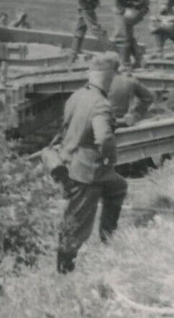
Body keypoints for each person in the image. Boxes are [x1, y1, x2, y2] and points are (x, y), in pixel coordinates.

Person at [55, 52, 128, 274]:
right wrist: (108, 157)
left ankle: (107, 239)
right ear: (110, 79)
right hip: (87, 172)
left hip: (70, 160)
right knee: (77, 221)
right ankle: (65, 270)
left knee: (118, 187)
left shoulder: (77, 95)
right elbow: (104, 137)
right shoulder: (101, 105)